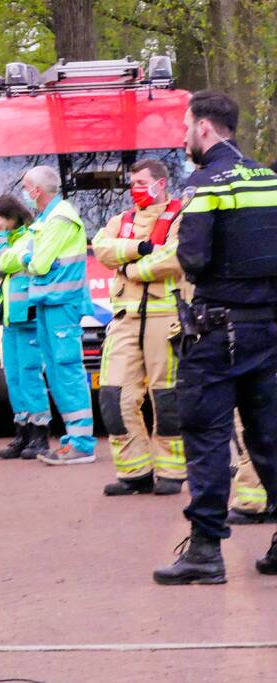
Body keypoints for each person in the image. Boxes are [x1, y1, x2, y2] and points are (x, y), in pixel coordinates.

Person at [153, 91, 277, 585]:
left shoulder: (205, 183)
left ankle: (205, 550)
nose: (183, 138)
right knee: (269, 436)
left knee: (205, 438)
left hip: (215, 332)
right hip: (268, 330)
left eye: (186, 128)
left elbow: (196, 258)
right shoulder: (270, 179)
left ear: (204, 128)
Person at [91, 159, 187, 496]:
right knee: (113, 395)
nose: (135, 189)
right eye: (132, 183)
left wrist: (131, 269)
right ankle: (135, 472)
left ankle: (173, 472)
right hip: (124, 319)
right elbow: (102, 248)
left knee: (168, 397)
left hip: (166, 318)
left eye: (142, 182)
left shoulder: (180, 216)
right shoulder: (122, 219)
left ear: (161, 184)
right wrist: (141, 249)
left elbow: (176, 257)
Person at [21, 166, 98, 465]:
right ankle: (73, 440)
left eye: (27, 187)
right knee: (56, 372)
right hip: (48, 302)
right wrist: (33, 260)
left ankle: (82, 443)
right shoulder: (45, 219)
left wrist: (32, 260)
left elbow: (37, 263)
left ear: (37, 190)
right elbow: (35, 260)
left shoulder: (60, 218)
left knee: (67, 371)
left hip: (62, 304)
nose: (25, 193)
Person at [0, 195, 51, 460]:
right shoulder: (12, 240)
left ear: (11, 217)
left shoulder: (30, 237)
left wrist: (3, 252)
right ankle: (22, 431)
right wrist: (3, 258)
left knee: (29, 374)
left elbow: (2, 264)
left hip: (29, 316)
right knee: (13, 376)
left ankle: (40, 434)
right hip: (11, 317)